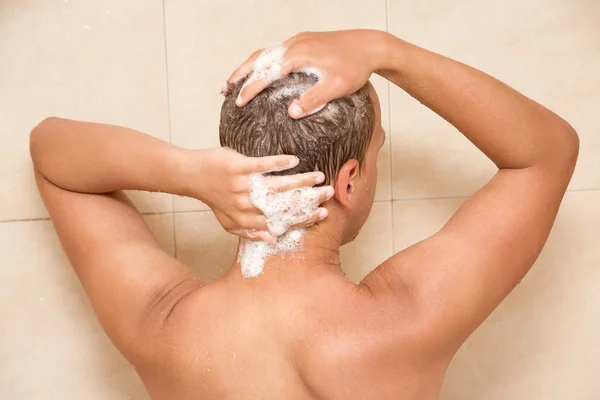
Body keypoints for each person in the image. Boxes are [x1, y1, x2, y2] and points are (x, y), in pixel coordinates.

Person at [30, 29, 578, 400]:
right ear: (349, 181)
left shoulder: (165, 326)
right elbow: (546, 153)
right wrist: (384, 49)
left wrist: (185, 172)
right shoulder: (408, 319)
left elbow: (51, 154)